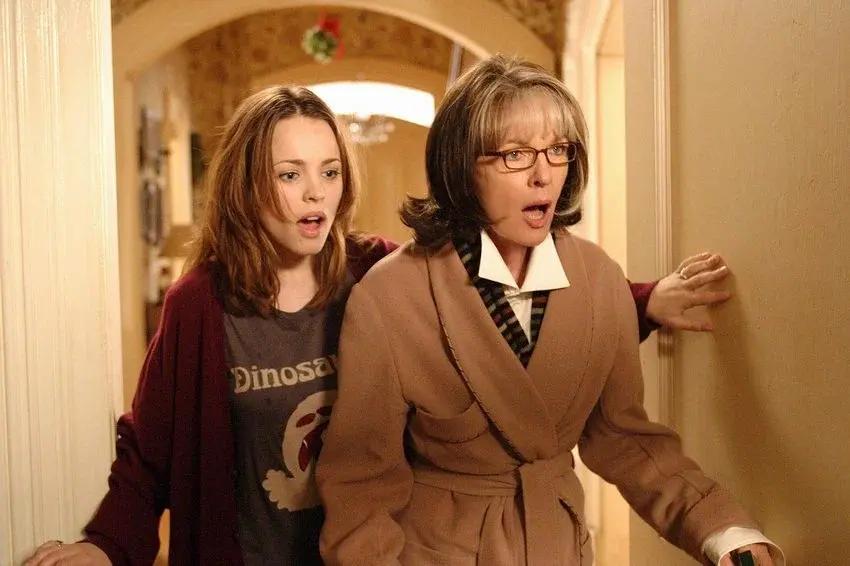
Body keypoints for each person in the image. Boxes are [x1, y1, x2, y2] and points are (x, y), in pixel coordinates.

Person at [24, 83, 730, 565]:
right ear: (246, 183)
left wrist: (642, 301)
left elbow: (492, 308)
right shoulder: (200, 307)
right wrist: (104, 546)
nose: (316, 194)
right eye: (290, 174)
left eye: (329, 172)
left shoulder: (376, 272)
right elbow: (149, 450)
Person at [316, 56, 782, 566]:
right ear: (462, 167)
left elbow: (624, 439)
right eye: (516, 155)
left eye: (558, 150)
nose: (544, 176)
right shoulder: (390, 296)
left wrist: (724, 532)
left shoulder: (599, 278)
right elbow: (361, 485)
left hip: (559, 547)